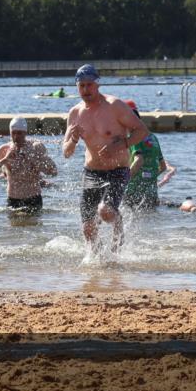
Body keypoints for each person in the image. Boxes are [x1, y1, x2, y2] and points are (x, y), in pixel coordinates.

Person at [62, 64, 149, 254]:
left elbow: (142, 130)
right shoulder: (75, 113)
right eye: (82, 86)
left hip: (117, 170)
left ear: (97, 84)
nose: (86, 90)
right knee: (88, 228)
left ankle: (118, 238)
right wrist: (74, 140)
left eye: (89, 85)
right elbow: (66, 152)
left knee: (106, 211)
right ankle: (99, 261)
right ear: (77, 87)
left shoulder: (114, 106)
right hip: (91, 172)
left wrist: (120, 145)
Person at [0, 116, 57, 215]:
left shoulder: (36, 147)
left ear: (25, 133)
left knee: (33, 229)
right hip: (13, 200)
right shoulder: (5, 149)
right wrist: (4, 160)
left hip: (33, 199)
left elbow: (54, 171)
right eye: (13, 133)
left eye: (19, 133)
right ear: (10, 133)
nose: (16, 136)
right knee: (13, 230)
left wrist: (35, 161)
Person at [121, 100, 175, 211]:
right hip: (151, 193)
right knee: (150, 222)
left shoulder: (133, 136)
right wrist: (150, 175)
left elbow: (139, 160)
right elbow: (163, 166)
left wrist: (124, 179)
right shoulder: (153, 137)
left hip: (134, 191)